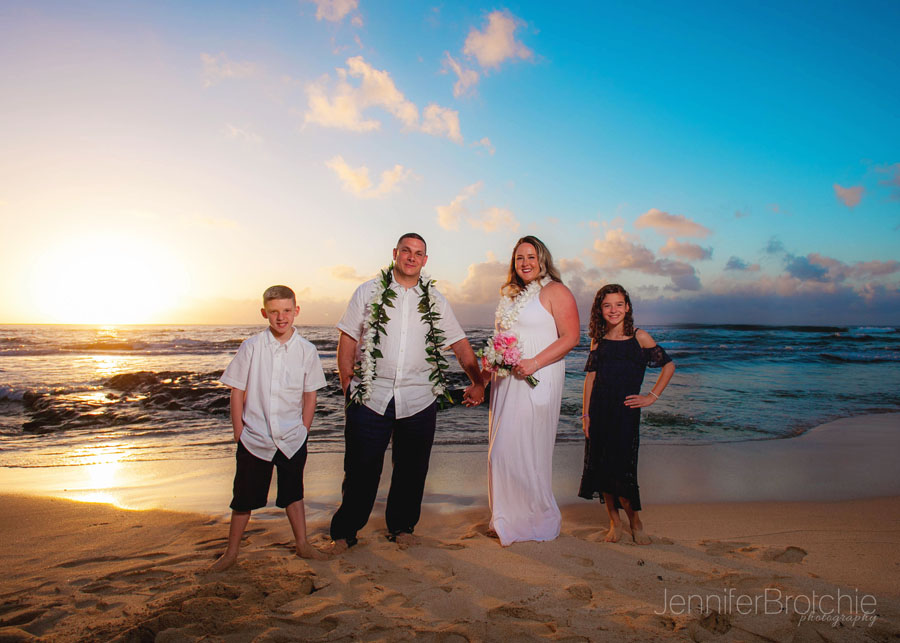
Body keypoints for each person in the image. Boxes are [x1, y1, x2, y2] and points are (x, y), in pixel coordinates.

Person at [328, 233, 485, 553]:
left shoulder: (436, 300)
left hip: (419, 398)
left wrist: (478, 381)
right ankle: (345, 532)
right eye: (406, 251)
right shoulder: (367, 291)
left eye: (419, 253)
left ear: (425, 260)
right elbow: (348, 340)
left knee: (412, 469)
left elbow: (459, 344)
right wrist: (348, 387)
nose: (412, 257)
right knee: (360, 469)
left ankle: (402, 527)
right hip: (371, 396)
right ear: (395, 254)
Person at [211, 285, 328, 571]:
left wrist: (305, 429)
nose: (281, 317)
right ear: (265, 313)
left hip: (292, 436)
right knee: (243, 497)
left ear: (296, 311)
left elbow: (310, 394)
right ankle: (231, 553)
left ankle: (302, 544)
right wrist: (239, 431)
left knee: (293, 493)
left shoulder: (306, 350)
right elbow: (237, 391)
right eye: (274, 312)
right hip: (255, 437)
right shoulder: (251, 347)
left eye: (287, 311)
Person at [486, 236, 580, 546]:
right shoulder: (511, 296)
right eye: (519, 258)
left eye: (531, 256)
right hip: (506, 382)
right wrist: (487, 372)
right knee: (501, 452)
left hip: (538, 377)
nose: (525, 263)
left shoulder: (556, 291)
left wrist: (534, 363)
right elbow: (501, 340)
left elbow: (571, 337)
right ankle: (504, 516)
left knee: (526, 450)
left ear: (542, 259)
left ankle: (533, 517)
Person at [579, 284, 675, 545]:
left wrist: (650, 397)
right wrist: (586, 415)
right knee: (601, 468)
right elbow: (590, 378)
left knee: (623, 471)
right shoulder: (597, 340)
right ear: (600, 309)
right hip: (599, 412)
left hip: (625, 414)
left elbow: (668, 366)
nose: (613, 310)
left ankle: (635, 522)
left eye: (618, 304)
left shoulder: (639, 337)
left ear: (627, 307)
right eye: (607, 305)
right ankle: (614, 523)